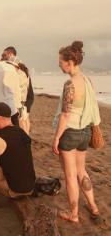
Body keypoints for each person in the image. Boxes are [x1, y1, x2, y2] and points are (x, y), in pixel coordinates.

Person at [52, 41, 100, 223]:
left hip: (70, 133)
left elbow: (65, 115)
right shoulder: (88, 81)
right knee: (82, 171)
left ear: (70, 61)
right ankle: (93, 206)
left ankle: (73, 214)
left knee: (71, 174)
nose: (59, 64)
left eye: (61, 61)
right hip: (85, 132)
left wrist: (56, 138)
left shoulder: (70, 84)